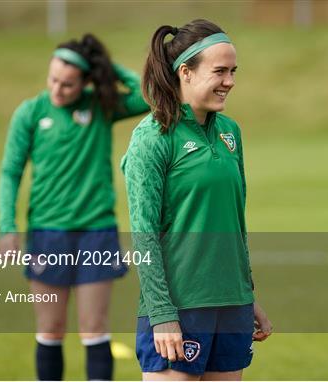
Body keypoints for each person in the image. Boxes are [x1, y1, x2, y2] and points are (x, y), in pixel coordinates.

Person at [122, 19, 272, 380]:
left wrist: (246, 293)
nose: (230, 81)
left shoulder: (230, 132)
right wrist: (161, 314)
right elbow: (144, 233)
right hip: (180, 307)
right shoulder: (153, 137)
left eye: (233, 71)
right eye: (220, 71)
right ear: (185, 72)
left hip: (231, 302)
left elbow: (235, 223)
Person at [0, 34, 149, 381]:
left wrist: (107, 69)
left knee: (93, 328)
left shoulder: (100, 106)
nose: (57, 89)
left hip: (96, 231)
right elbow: (10, 173)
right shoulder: (31, 113)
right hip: (48, 235)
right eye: (53, 80)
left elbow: (147, 95)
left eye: (67, 84)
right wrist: (7, 226)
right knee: (50, 329)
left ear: (86, 82)